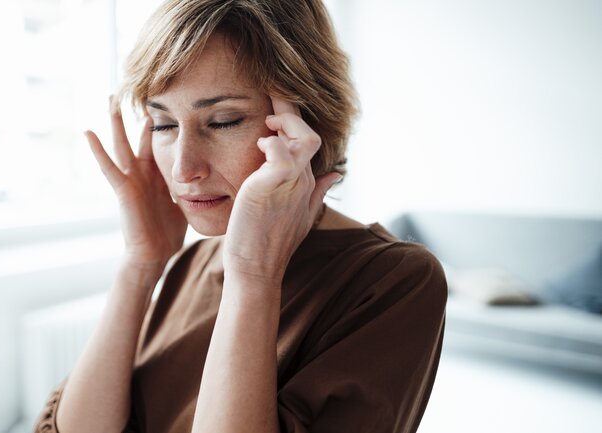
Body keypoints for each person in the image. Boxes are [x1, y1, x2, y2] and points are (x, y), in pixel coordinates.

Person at [33, 1, 447, 432]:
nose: (182, 168)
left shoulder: (393, 280)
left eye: (224, 121)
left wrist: (253, 276)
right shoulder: (191, 264)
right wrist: (141, 263)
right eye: (163, 125)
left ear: (307, 122)